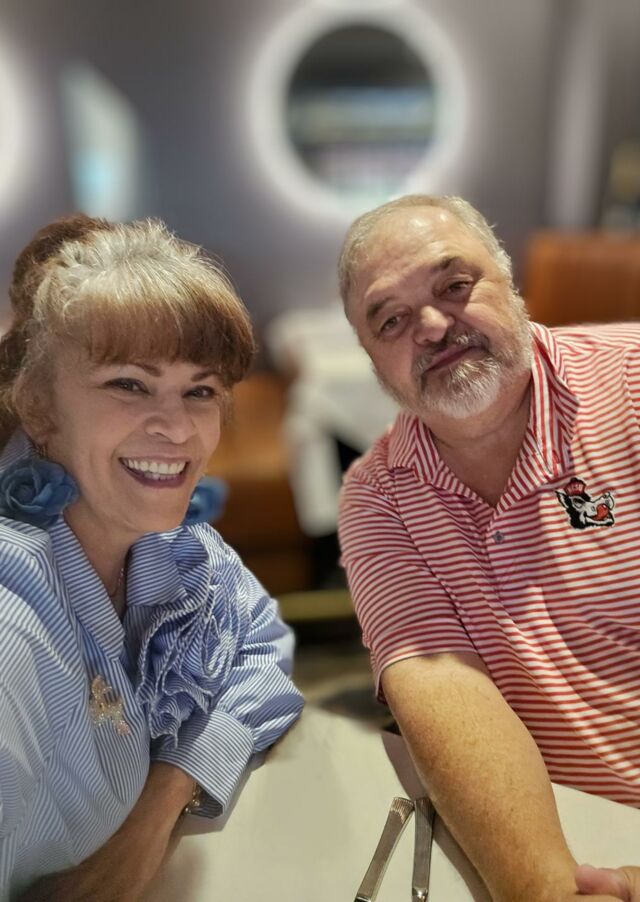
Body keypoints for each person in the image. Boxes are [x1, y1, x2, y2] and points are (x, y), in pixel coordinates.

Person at [337, 195, 640, 902]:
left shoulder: (631, 382)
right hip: (571, 836)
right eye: (391, 321)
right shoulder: (379, 499)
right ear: (373, 361)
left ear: (511, 284)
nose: (432, 327)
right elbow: (449, 698)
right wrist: (552, 891)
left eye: (453, 285)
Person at [0, 214, 304, 901]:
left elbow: (260, 644)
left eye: (201, 390)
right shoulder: (13, 626)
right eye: (129, 385)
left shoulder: (169, 546)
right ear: (38, 406)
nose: (177, 427)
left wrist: (158, 805)